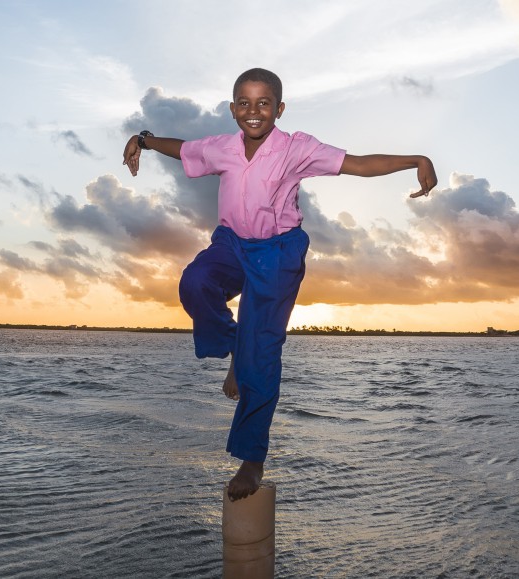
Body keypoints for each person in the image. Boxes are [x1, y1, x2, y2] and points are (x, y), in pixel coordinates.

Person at [122, 68, 437, 501]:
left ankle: (251, 460)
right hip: (232, 244)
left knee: (262, 358)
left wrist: (416, 160)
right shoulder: (222, 148)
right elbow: (182, 149)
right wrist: (144, 139)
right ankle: (234, 344)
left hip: (278, 253)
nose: (254, 112)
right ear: (233, 110)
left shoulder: (297, 149)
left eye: (263, 103)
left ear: (279, 110)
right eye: (245, 104)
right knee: (195, 282)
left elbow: (359, 165)